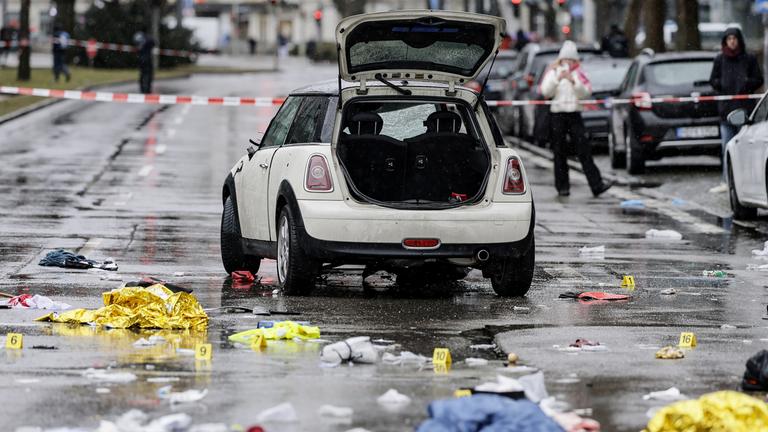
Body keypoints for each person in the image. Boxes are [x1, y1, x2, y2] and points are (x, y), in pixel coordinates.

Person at [540, 41, 614, 198]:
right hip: (557, 115)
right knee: (559, 152)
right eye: (566, 59)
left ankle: (597, 185)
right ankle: (562, 187)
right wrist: (558, 78)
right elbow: (546, 92)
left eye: (571, 60)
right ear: (561, 60)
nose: (568, 63)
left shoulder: (579, 73)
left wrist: (574, 81)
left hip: (574, 114)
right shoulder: (553, 72)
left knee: (584, 150)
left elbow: (586, 93)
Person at [708, 27, 763, 193]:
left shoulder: (749, 59)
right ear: (725, 41)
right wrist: (722, 85)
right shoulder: (720, 59)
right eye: (729, 39)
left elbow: (758, 79)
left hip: (745, 111)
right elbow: (713, 80)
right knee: (727, 147)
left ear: (739, 40)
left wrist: (746, 84)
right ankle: (727, 180)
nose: (732, 42)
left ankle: (748, 180)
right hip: (726, 111)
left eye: (734, 38)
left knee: (745, 147)